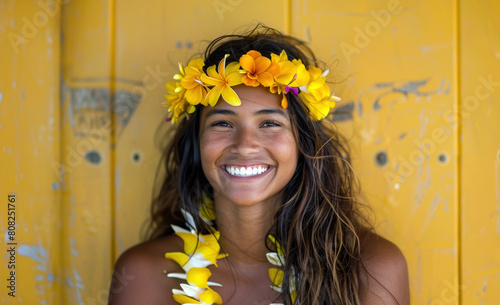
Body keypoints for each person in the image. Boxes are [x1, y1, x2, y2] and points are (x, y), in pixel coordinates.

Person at [108, 25, 410, 305]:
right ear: (196, 143)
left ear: (303, 143)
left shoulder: (371, 270)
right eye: (223, 123)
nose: (245, 145)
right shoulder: (141, 275)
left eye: (269, 123)